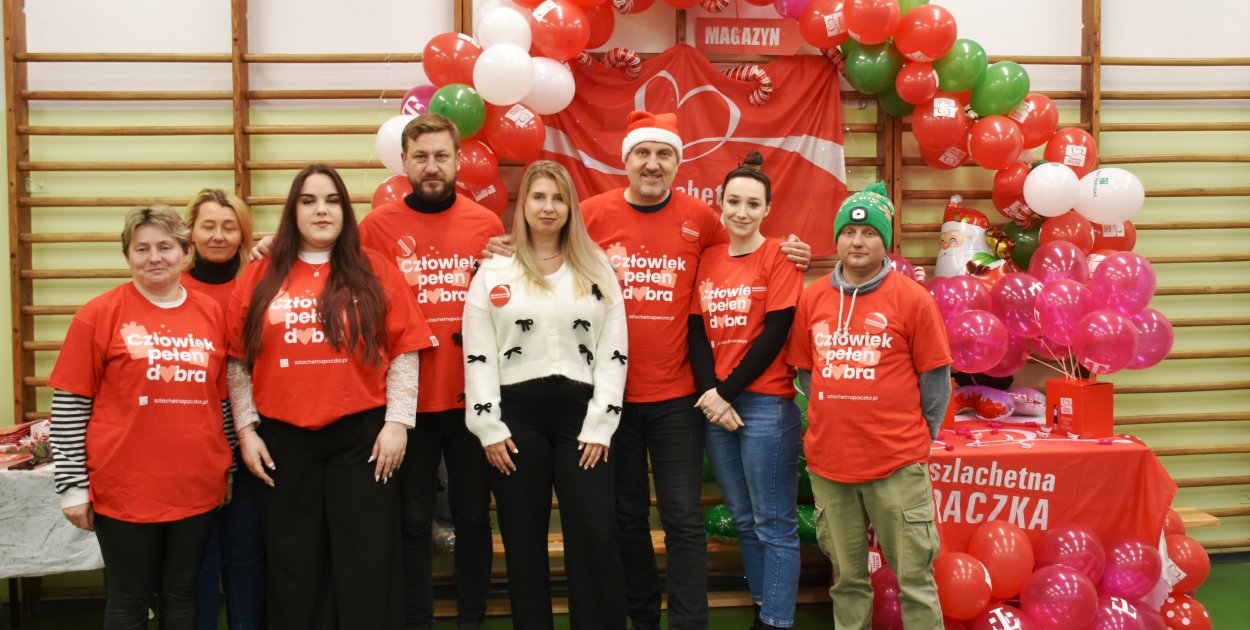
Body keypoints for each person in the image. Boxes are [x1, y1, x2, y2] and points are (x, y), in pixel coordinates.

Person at [487, 110, 810, 630]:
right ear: (627, 160)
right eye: (643, 153)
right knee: (627, 517)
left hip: (679, 398)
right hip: (603, 402)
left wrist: (789, 249)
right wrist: (503, 247)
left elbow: (741, 255)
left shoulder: (702, 219)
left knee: (682, 519)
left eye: (664, 154)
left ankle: (688, 623)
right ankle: (642, 617)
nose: (653, 164)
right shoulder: (589, 213)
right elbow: (539, 240)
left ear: (677, 164)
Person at [226, 164, 433, 630]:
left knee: (367, 559)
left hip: (362, 438)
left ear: (346, 210)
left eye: (332, 200)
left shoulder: (374, 267)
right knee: (294, 562)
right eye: (309, 200)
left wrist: (398, 422)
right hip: (283, 439)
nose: (321, 210)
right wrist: (246, 430)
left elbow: (403, 349)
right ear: (292, 211)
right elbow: (236, 359)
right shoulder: (259, 273)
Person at [49, 205, 233, 629]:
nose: (155, 257)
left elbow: (220, 401)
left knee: (182, 595)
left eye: (166, 247)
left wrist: (228, 469)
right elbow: (70, 407)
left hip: (196, 487)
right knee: (129, 599)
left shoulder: (210, 313)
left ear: (186, 252)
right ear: (127, 255)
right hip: (125, 490)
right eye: (142, 248)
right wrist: (73, 486)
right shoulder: (98, 314)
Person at [463, 160, 629, 630]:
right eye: (538, 197)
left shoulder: (597, 268)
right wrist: (488, 426)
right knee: (522, 540)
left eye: (558, 198)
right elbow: (478, 353)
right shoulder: (495, 269)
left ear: (570, 206)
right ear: (523, 206)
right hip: (514, 420)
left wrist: (602, 423)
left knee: (595, 535)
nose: (548, 207)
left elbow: (614, 351)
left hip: (583, 418)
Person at [359, 114, 504, 630]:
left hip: (470, 401)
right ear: (404, 162)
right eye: (421, 156)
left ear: (459, 161)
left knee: (471, 517)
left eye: (442, 155)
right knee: (413, 520)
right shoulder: (375, 228)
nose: (432, 166)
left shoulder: (486, 226)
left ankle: (472, 620)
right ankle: (416, 619)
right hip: (405, 406)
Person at [784, 184, 952, 629]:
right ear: (836, 238)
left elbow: (935, 383)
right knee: (847, 580)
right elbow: (807, 374)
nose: (857, 241)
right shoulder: (813, 298)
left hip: (896, 465)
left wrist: (918, 442)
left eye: (869, 233)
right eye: (849, 231)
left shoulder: (913, 299)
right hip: (829, 466)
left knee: (915, 579)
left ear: (886, 242)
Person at [688, 153, 803, 630]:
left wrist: (725, 393)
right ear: (719, 204)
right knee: (743, 518)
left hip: (764, 405)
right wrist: (711, 394)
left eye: (751, 203)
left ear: (767, 209)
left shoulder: (779, 255)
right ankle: (763, 606)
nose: (741, 211)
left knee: (774, 522)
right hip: (719, 406)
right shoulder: (709, 258)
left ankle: (775, 622)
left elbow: (775, 332)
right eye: (733, 201)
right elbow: (695, 332)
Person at [181, 189, 265, 630]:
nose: (218, 235)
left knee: (247, 552)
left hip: (253, 437)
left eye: (229, 226)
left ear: (243, 233)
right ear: (190, 231)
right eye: (208, 225)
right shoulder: (173, 290)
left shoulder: (260, 281)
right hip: (192, 443)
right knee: (199, 557)